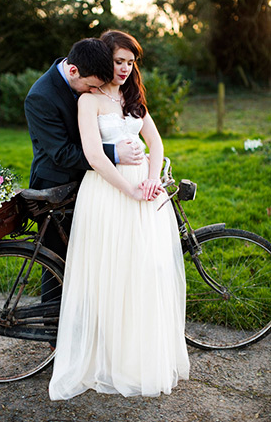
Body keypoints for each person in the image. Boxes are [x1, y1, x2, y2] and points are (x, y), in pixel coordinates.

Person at [49, 30, 190, 400]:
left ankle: (138, 355)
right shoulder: (89, 101)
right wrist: (128, 189)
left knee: (145, 271)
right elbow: (94, 157)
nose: (126, 68)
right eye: (119, 61)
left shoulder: (132, 96)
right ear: (103, 61)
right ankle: (106, 358)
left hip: (142, 191)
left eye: (131, 62)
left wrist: (151, 180)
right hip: (108, 193)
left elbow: (155, 143)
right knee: (111, 271)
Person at [25, 38, 144, 318]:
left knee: (90, 257)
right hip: (55, 185)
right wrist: (114, 152)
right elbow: (62, 152)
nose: (94, 91)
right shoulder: (40, 96)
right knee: (58, 260)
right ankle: (54, 333)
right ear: (74, 71)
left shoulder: (88, 70)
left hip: (92, 184)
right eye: (91, 86)